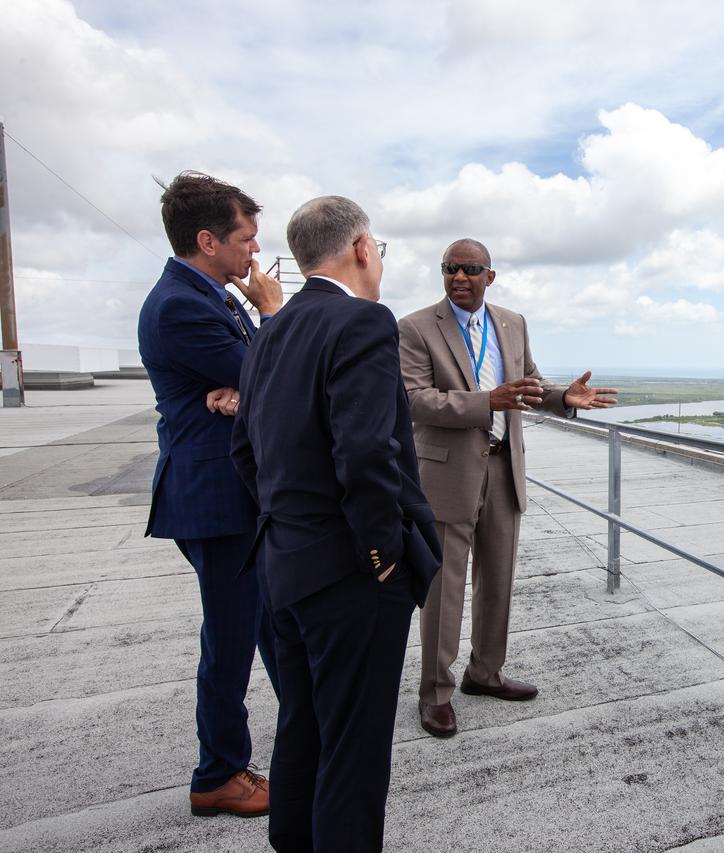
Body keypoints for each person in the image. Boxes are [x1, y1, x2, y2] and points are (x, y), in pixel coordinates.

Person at [231, 196, 443, 852]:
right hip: (351, 576)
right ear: (360, 248)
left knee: (303, 727)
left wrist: (288, 523)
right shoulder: (362, 322)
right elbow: (365, 450)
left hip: (285, 565)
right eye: (378, 246)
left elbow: (244, 449)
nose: (378, 259)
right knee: (353, 751)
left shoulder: (271, 330)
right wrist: (381, 550)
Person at [398, 238, 617, 738]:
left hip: (503, 467)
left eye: (470, 269)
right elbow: (414, 399)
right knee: (444, 589)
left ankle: (485, 673)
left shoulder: (512, 323)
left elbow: (529, 386)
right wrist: (487, 401)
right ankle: (434, 692)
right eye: (450, 268)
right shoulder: (413, 327)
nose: (459, 277)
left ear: (489, 276)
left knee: (497, 580)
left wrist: (565, 397)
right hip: (447, 474)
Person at [137, 171, 282, 818]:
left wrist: (245, 388)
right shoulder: (180, 305)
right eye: (246, 239)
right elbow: (273, 373)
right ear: (207, 239)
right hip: (216, 498)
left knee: (272, 622)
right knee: (230, 636)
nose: (255, 251)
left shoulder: (207, 296)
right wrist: (273, 314)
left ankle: (309, 731)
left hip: (234, 492)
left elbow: (254, 380)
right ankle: (218, 772)